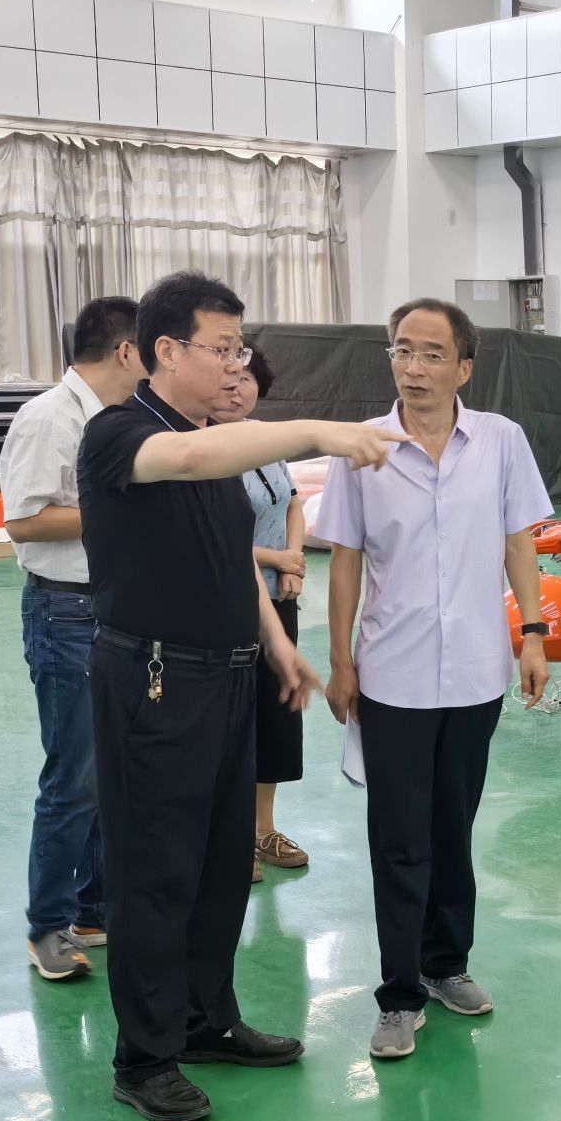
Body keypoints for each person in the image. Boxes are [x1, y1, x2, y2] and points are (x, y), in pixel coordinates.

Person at [77, 270, 407, 1121]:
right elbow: (188, 463)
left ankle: (204, 1022)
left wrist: (278, 645)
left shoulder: (211, 439)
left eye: (239, 348)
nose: (235, 364)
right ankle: (144, 1059)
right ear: (165, 351)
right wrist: (320, 432)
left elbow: (230, 559)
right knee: (156, 873)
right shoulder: (121, 434)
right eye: (221, 348)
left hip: (227, 675)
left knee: (223, 865)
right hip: (155, 683)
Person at [319, 297, 553, 1063]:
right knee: (398, 840)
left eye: (430, 354)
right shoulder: (362, 447)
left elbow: (518, 543)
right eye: (401, 350)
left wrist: (534, 634)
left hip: (478, 671)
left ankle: (446, 964)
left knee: (453, 828)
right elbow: (345, 559)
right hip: (393, 674)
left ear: (464, 367)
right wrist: (342, 661)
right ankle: (398, 995)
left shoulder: (501, 441)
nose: (412, 367)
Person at [0, 295, 143, 981]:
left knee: (109, 772)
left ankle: (93, 908)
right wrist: (123, 511)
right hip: (65, 613)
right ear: (125, 351)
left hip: (112, 609)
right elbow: (24, 521)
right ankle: (47, 926)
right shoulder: (49, 419)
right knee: (73, 778)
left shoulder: (115, 420)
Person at [224, 348, 309, 886]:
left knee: (274, 718)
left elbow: (293, 501)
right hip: (229, 602)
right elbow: (211, 536)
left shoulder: (263, 439)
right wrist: (276, 558)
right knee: (232, 722)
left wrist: (293, 559)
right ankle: (230, 838)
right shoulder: (203, 446)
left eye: (248, 379)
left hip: (279, 599)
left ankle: (263, 830)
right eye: (229, 378)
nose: (238, 389)